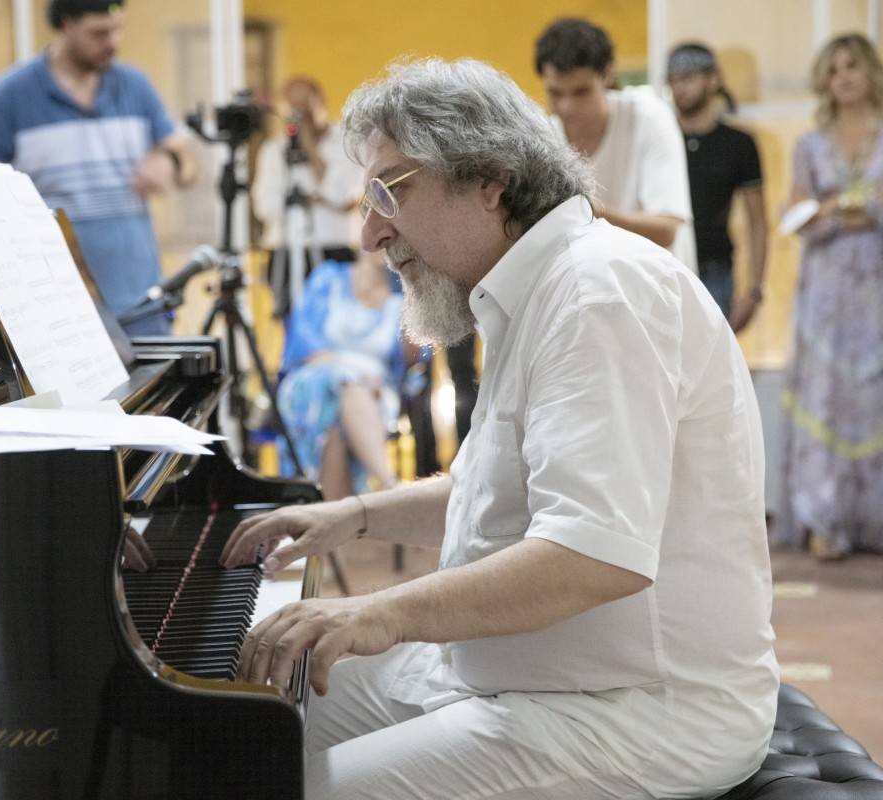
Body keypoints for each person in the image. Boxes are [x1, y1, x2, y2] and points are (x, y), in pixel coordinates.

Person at [219, 58, 778, 799]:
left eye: (389, 192)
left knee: (304, 789)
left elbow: (590, 555)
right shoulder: (535, 287)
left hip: (634, 709)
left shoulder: (598, 294)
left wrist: (381, 612)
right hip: (507, 673)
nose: (370, 233)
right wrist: (350, 515)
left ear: (491, 180)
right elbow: (501, 495)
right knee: (237, 734)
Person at [0, 0, 197, 336]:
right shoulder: (10, 94)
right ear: (66, 25)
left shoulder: (135, 86)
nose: (113, 42)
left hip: (141, 305)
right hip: (57, 313)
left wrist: (169, 161)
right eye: (99, 33)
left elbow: (187, 163)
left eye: (117, 30)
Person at [774, 33, 883, 561]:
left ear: (871, 71)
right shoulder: (809, 145)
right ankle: (823, 521)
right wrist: (868, 204)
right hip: (826, 291)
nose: (843, 77)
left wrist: (835, 204)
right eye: (834, 70)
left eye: (852, 66)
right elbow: (798, 216)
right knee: (825, 397)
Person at [535, 17, 697, 272]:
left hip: (658, 282)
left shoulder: (649, 118)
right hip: (594, 283)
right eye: (555, 93)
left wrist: (585, 209)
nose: (566, 106)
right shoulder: (544, 135)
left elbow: (666, 231)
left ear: (607, 74)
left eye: (581, 92)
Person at [275, 249, 405, 500]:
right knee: (342, 384)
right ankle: (389, 484)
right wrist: (353, 371)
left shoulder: (404, 293)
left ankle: (332, 515)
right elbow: (301, 342)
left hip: (375, 392)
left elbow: (410, 363)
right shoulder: (328, 278)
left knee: (334, 426)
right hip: (314, 378)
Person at [668, 42, 769, 331]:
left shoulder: (739, 143)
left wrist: (755, 290)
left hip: (715, 272)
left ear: (714, 79)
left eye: (688, 78)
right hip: (663, 266)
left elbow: (757, 222)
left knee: (713, 358)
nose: (679, 87)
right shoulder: (660, 137)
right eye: (673, 79)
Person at [251, 76, 361, 318]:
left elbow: (344, 195)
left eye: (305, 106)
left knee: (337, 323)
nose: (300, 116)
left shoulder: (347, 142)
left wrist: (310, 148)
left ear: (320, 102)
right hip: (285, 250)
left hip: (335, 250)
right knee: (293, 324)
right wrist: (318, 199)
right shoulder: (273, 151)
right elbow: (266, 207)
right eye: (294, 108)